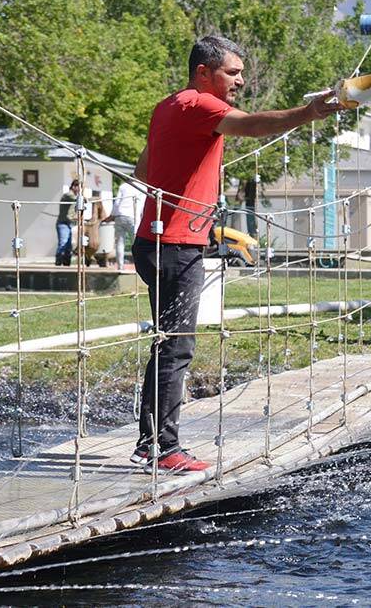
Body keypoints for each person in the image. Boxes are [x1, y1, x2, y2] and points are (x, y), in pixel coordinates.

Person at [130, 35, 345, 472]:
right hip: (175, 245)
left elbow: (142, 170)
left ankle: (150, 443)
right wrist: (309, 113)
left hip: (154, 241)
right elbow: (251, 125)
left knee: (167, 344)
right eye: (233, 73)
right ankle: (160, 448)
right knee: (176, 347)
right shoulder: (200, 105)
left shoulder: (167, 106)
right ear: (203, 73)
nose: (241, 82)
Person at [105, 179, 147, 270]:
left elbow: (117, 203)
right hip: (133, 216)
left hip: (120, 215)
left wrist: (113, 215)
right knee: (136, 243)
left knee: (120, 242)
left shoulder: (123, 186)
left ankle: (120, 266)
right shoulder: (143, 188)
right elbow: (143, 206)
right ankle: (139, 267)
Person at [54, 179, 79, 266]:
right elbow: (75, 199)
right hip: (63, 223)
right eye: (79, 188)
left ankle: (66, 264)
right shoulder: (68, 195)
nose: (80, 190)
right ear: (74, 187)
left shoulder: (75, 198)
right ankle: (58, 262)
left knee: (69, 246)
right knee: (63, 243)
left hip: (69, 224)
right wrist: (87, 199)